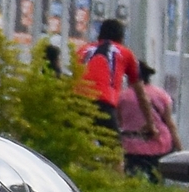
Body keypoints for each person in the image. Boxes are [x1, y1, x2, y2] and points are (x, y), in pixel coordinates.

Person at [77, 18, 142, 149]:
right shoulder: (125, 53)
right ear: (121, 37)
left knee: (78, 147)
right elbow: (140, 93)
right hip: (103, 103)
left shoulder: (83, 50)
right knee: (115, 152)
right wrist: (151, 123)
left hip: (78, 101)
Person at [118, 61, 179, 179]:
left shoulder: (123, 96)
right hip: (159, 145)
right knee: (158, 179)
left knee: (132, 177)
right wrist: (179, 148)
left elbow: (120, 121)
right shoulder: (161, 94)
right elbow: (169, 123)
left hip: (131, 147)